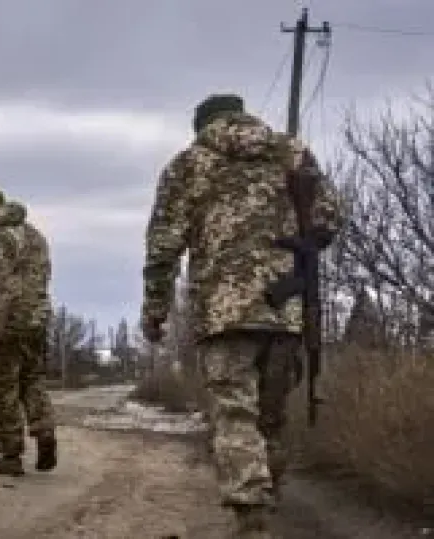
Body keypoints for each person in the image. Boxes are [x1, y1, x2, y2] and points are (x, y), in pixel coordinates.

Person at [140, 93, 343, 538]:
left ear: (202, 126)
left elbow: (163, 247)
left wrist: (154, 310)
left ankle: (251, 518)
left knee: (236, 415)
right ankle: (268, 496)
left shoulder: (187, 164)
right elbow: (329, 218)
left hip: (223, 313)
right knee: (271, 417)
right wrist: (297, 249)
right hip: (285, 310)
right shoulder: (291, 151)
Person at [0, 187, 57, 476]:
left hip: (9, 325)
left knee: (3, 389)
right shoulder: (35, 236)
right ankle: (44, 431)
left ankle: (11, 455)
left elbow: (0, 289)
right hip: (38, 321)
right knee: (32, 380)